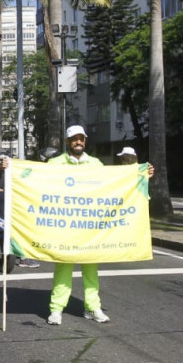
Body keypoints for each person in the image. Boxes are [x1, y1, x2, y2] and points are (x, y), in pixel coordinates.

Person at [46, 125, 152, 326]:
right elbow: (38, 182)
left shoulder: (96, 164)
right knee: (63, 269)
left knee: (91, 270)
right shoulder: (55, 163)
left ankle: (92, 307)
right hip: (65, 227)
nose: (78, 142)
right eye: (74, 139)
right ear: (67, 141)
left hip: (90, 228)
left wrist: (141, 175)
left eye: (81, 138)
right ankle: (56, 309)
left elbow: (112, 185)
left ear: (85, 141)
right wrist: (11, 168)